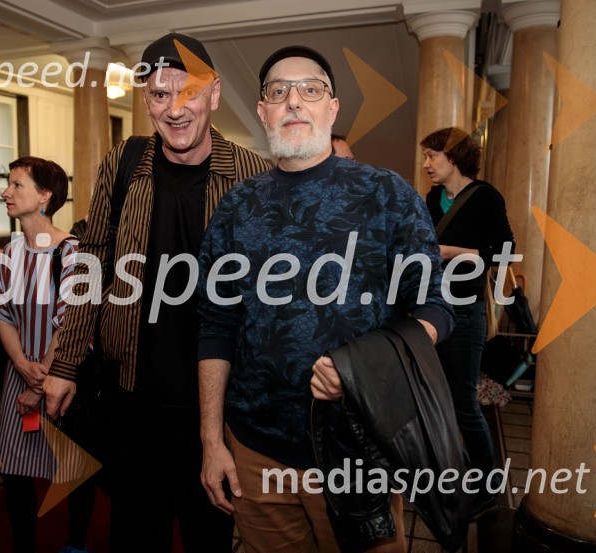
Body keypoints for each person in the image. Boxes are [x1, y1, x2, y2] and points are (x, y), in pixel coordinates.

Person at [197, 45, 454, 553]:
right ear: (263, 109)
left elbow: (436, 307)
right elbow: (215, 325)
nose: (294, 101)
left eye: (309, 89)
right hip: (255, 451)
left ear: (331, 108)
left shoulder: (388, 194)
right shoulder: (236, 207)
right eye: (278, 91)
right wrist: (211, 440)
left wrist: (366, 368)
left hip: (359, 450)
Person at [44, 33, 269, 552]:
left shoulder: (252, 175)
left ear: (213, 94)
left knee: (209, 536)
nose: (174, 109)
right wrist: (65, 365)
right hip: (133, 395)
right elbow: (93, 263)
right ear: (145, 100)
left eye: (186, 92)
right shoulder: (124, 162)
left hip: (216, 405)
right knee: (134, 535)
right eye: (159, 95)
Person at [0, 156, 95, 553]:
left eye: (17, 185)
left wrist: (42, 379)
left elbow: (72, 325)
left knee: (73, 468)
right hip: (20, 375)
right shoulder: (11, 253)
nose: (6, 192)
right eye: (9, 184)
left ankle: (76, 544)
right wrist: (21, 366)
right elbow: (2, 315)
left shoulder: (72, 253)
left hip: (62, 376)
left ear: (45, 196)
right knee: (14, 470)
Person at [421, 127, 515, 515]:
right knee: (437, 398)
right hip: (431, 307)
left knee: (462, 401)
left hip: (465, 308)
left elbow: (504, 250)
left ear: (454, 157)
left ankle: (488, 487)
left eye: (432, 156)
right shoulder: (432, 198)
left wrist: (451, 251)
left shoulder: (486, 196)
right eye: (425, 157)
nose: (426, 164)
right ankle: (454, 475)